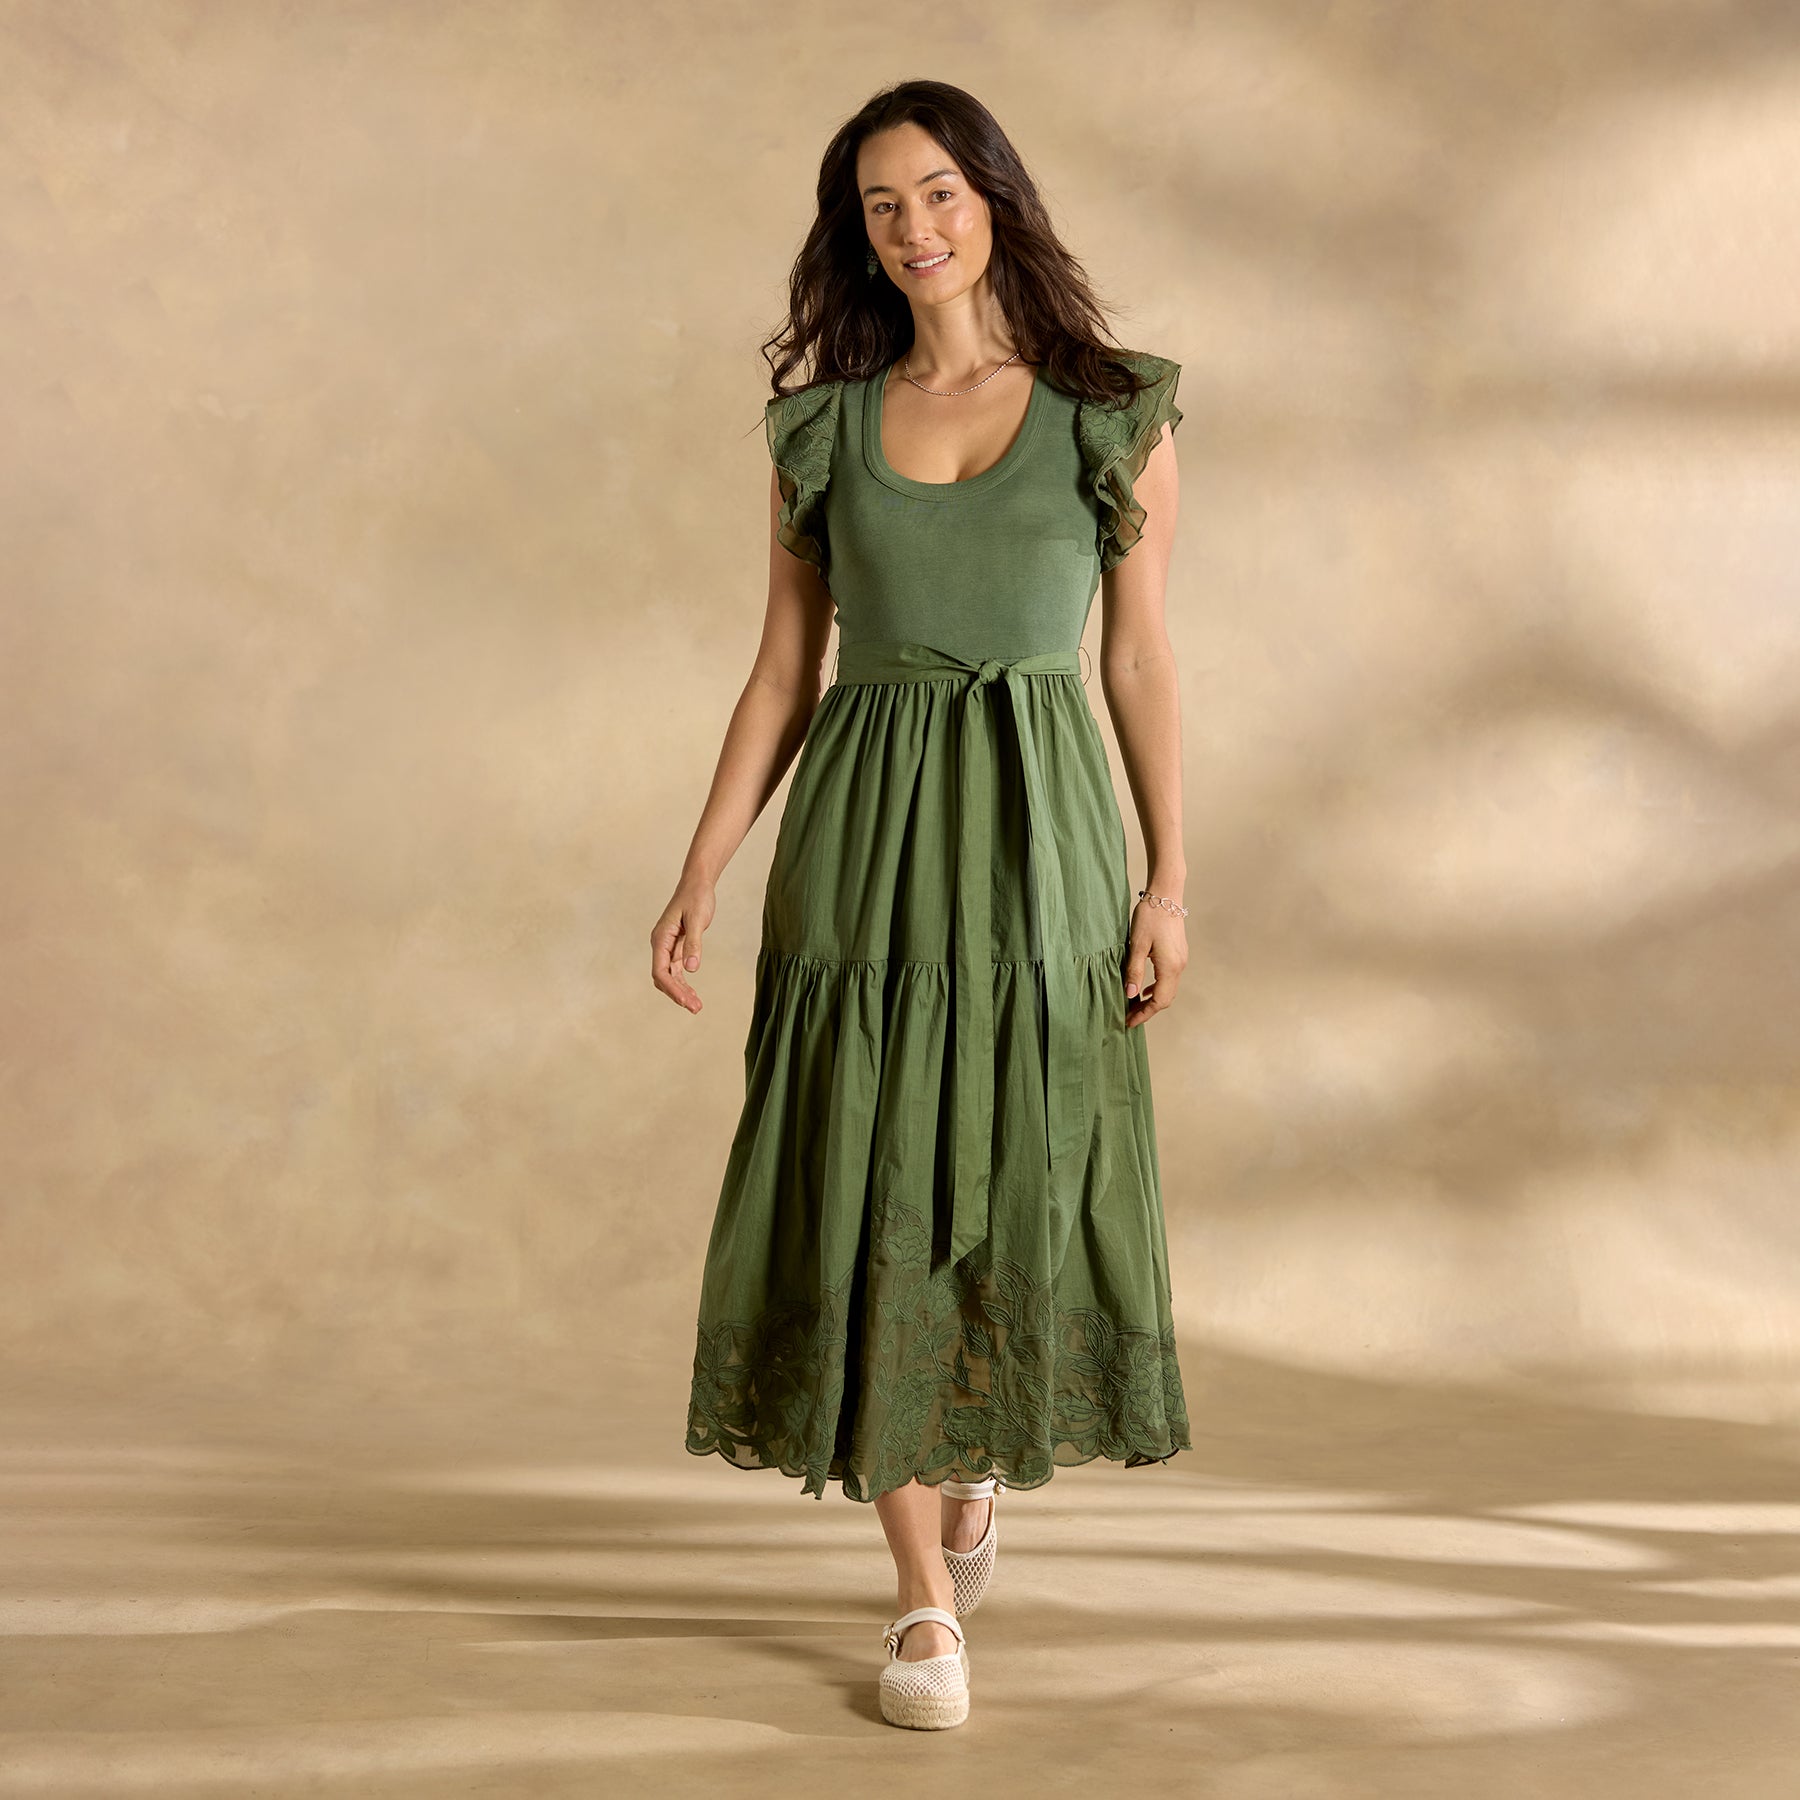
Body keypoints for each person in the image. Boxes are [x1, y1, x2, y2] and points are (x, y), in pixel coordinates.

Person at [650, 78, 1194, 1730]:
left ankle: (972, 1460)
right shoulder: (820, 431)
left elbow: (1138, 659)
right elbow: (780, 673)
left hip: (1044, 843)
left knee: (1022, 1165)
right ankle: (921, 1606)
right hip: (864, 845)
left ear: (995, 200)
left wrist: (1169, 880)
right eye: (881, 204)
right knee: (864, 1171)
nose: (915, 227)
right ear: (858, 233)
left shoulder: (1111, 414)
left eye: (940, 191)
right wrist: (702, 865)